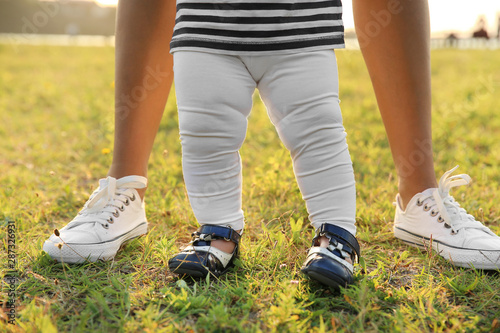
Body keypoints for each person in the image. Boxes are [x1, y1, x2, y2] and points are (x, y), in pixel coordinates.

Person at [43, 0, 500, 288]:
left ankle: (348, 231)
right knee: (206, 135)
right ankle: (206, 229)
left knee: (318, 133)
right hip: (205, 28)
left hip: (300, 27)